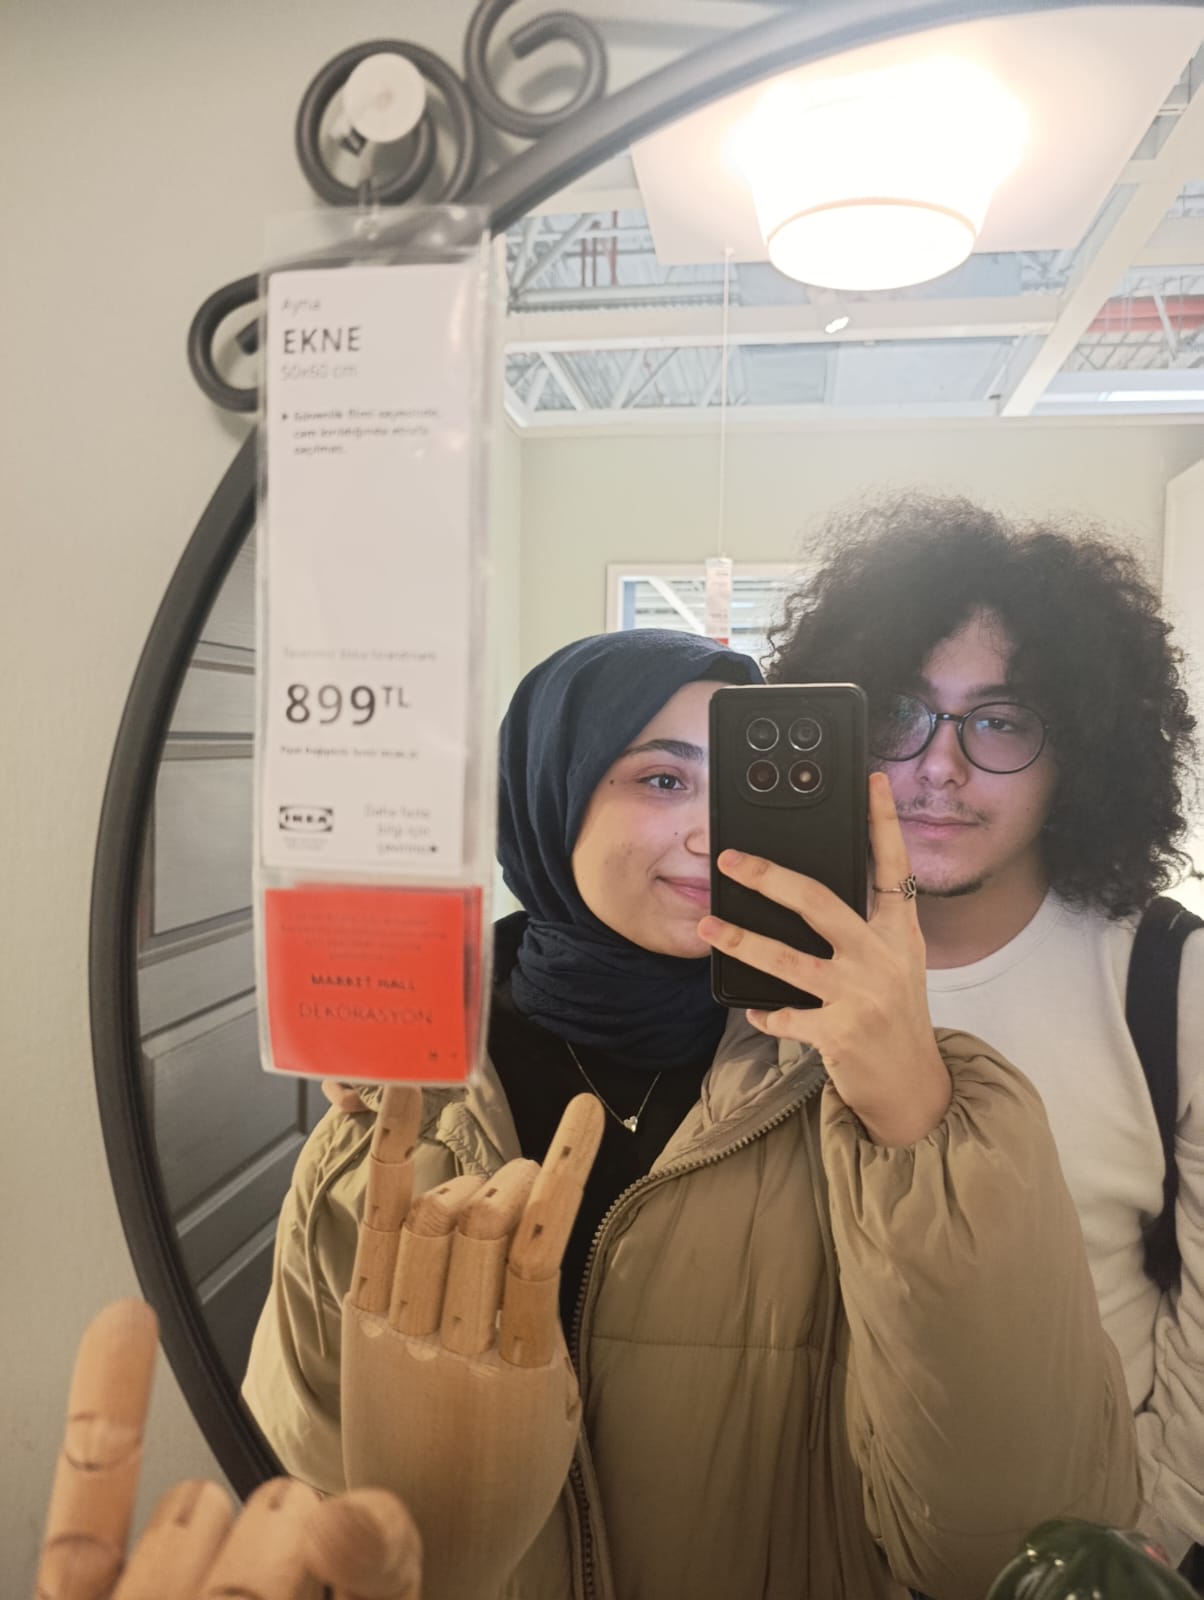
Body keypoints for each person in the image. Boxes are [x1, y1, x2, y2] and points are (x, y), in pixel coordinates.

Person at [244, 627, 1139, 1600]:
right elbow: (299, 1513)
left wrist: (916, 1120)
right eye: (663, 780)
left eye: (747, 788)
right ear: (549, 795)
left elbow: (1005, 1545)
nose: (716, 835)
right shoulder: (395, 1115)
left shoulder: (880, 1102)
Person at [768, 492, 1203, 1566]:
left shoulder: (1171, 982)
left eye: (1000, 722)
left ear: (1080, 752)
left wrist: (1137, 1543)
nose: (940, 768)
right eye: (901, 715)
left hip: (1080, 1545)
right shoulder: (771, 960)